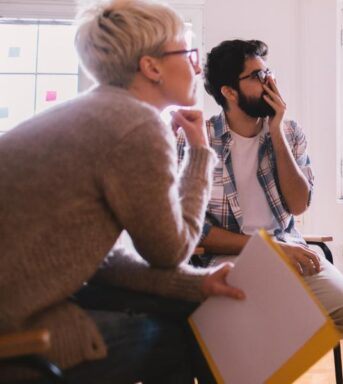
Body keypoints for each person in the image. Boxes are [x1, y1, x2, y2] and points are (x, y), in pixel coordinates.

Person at [0, 1, 244, 383]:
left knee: (182, 307)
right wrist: (199, 154)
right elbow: (170, 250)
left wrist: (197, 283)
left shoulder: (90, 112)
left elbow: (99, 260)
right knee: (182, 335)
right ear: (151, 67)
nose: (198, 66)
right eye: (189, 52)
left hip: (22, 306)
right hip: (15, 332)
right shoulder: (138, 125)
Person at [176, 39, 343, 338]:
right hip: (229, 258)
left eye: (268, 73)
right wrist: (271, 250)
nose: (269, 83)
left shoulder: (290, 132)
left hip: (288, 244)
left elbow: (299, 205)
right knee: (237, 323)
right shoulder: (197, 139)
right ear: (228, 92)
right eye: (256, 77)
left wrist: (276, 131)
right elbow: (195, 230)